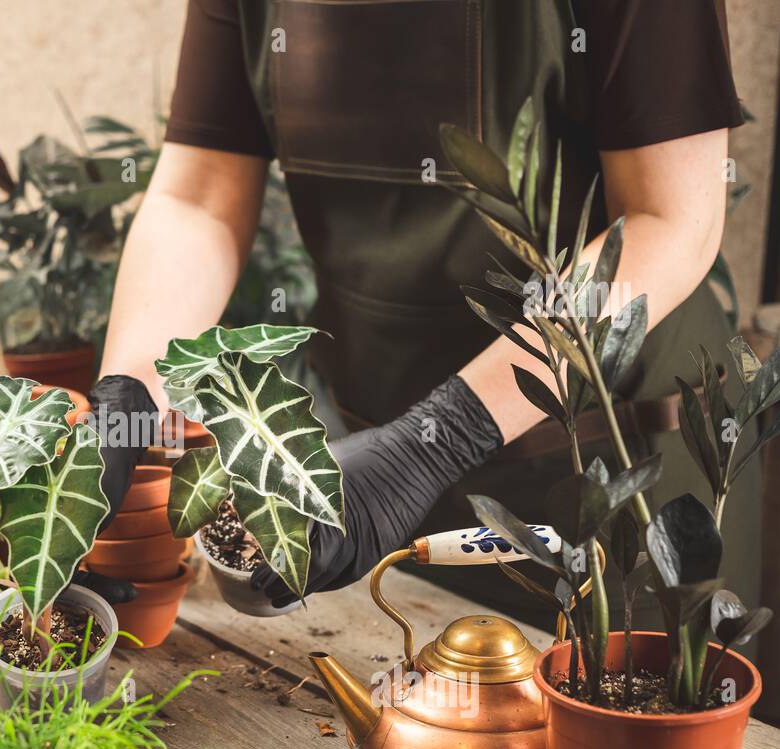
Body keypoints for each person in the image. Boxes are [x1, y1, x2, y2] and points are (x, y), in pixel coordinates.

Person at [83, 0, 759, 625]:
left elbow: (669, 219)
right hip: (368, 471)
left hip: (610, 481)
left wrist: (440, 438)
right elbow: (199, 195)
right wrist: (129, 394)